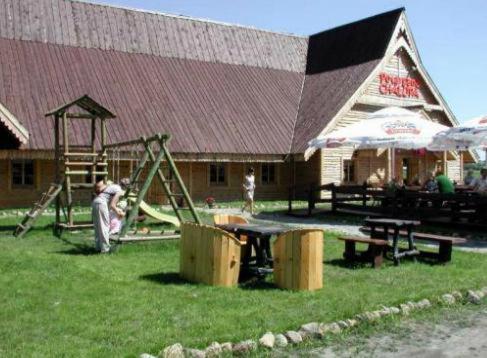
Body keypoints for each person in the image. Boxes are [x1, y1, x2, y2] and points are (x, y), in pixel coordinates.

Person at [92, 178, 125, 253]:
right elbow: (112, 205)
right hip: (101, 203)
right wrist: (119, 212)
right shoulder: (119, 190)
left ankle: (98, 247)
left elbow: (100, 190)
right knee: (104, 226)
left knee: (97, 226)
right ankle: (105, 249)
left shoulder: (112, 186)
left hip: (95, 202)